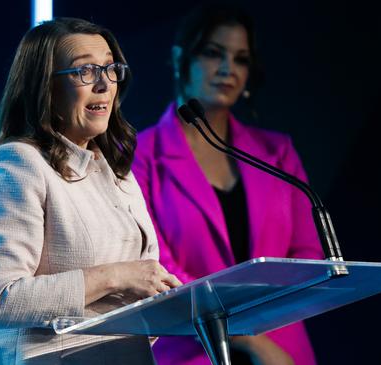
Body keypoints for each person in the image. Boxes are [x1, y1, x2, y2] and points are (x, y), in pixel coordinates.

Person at [0, 18, 182, 364]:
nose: (104, 84)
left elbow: (138, 284)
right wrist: (115, 277)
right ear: (44, 87)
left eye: (111, 69)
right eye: (85, 72)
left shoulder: (117, 173)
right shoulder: (16, 164)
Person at [132, 3, 323, 365]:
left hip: (281, 350)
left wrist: (261, 328)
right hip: (193, 349)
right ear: (179, 59)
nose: (227, 70)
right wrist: (246, 334)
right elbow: (157, 267)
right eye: (212, 53)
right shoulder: (140, 155)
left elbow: (307, 255)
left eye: (240, 59)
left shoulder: (277, 152)